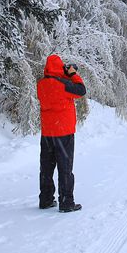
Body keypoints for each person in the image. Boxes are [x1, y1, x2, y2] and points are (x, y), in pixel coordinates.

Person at [37, 54, 86, 212]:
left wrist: (63, 75)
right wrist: (72, 74)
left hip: (47, 132)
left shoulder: (41, 84)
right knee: (65, 167)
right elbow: (80, 90)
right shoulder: (64, 84)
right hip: (63, 131)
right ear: (60, 68)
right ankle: (66, 202)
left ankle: (45, 199)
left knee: (46, 167)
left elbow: (54, 83)